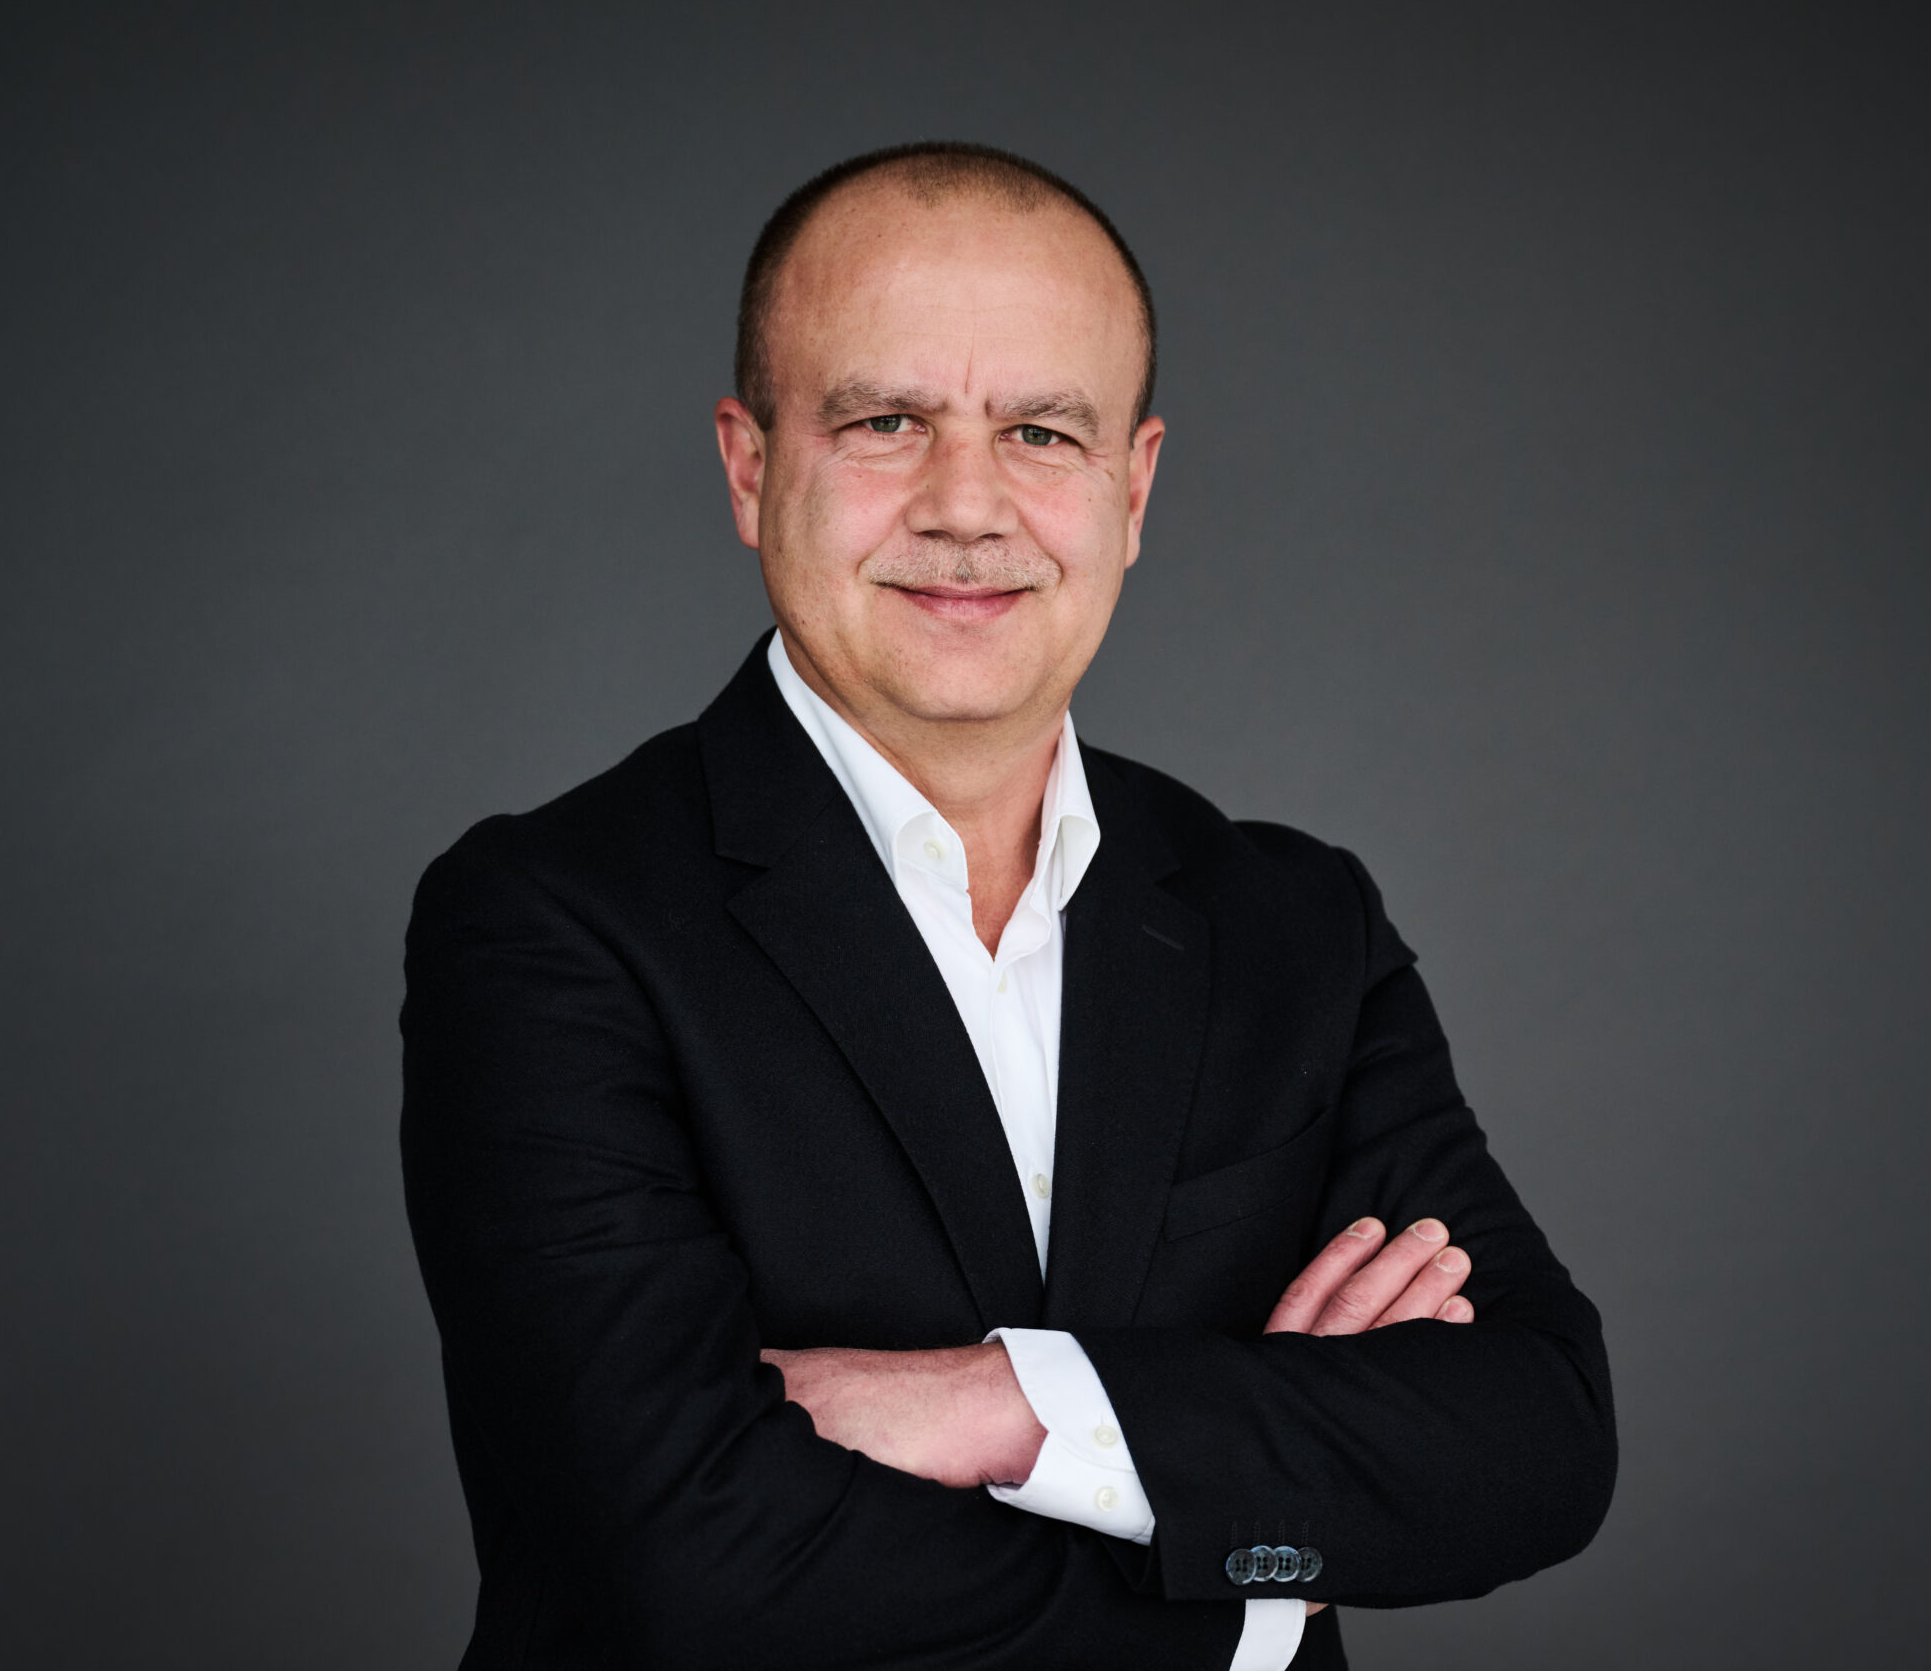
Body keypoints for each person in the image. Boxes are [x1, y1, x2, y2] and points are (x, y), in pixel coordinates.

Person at [400, 142, 1615, 1671]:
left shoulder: (1298, 924)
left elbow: (1539, 1438)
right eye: (885, 422)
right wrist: (1251, 1569)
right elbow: (684, 1559)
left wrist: (1002, 1405)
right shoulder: (548, 923)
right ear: (751, 466)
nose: (967, 506)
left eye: (1041, 432)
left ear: (1134, 487)